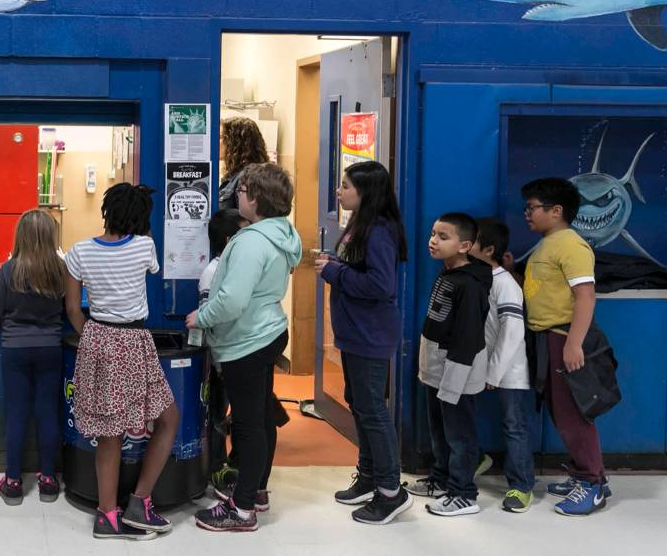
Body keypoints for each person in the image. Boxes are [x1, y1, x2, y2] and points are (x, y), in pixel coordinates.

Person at [186, 163, 302, 532]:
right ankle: (256, 489)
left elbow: (232, 301)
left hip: (247, 341)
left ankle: (242, 508)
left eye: (242, 189)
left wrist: (200, 318)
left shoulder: (251, 241)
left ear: (255, 197)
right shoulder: (282, 234)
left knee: (249, 425)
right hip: (267, 332)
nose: (237, 194)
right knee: (262, 418)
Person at [64, 183, 180, 541]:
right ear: (140, 218)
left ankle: (107, 515)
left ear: (106, 211)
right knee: (168, 418)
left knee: (109, 435)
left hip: (97, 336)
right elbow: (150, 270)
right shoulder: (145, 246)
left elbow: (71, 309)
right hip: (134, 340)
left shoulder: (78, 251)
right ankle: (139, 501)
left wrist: (94, 337)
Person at [315, 161, 412, 525]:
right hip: (355, 332)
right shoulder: (360, 225)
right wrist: (335, 264)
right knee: (358, 402)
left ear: (365, 191)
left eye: (345, 186)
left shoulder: (380, 231)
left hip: (371, 333)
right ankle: (369, 474)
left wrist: (333, 271)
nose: (338, 191)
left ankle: (391, 491)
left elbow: (379, 285)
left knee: (372, 409)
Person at [521, 178, 610, 516]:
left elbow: (585, 296)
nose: (527, 214)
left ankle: (592, 483)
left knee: (574, 414)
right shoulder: (548, 243)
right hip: (547, 338)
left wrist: (573, 344)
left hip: (563, 338)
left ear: (556, 211)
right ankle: (582, 473)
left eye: (532, 208)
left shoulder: (571, 245)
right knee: (560, 411)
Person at [408, 213, 491, 517]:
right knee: (440, 430)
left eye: (444, 237)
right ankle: (441, 479)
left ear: (465, 245)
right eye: (433, 233)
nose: (433, 240)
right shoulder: (447, 273)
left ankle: (464, 494)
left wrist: (454, 380)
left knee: (460, 435)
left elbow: (467, 337)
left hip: (456, 371)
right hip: (436, 367)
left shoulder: (470, 284)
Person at [0, 210, 65, 506]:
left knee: (17, 413)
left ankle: (13, 481)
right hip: (51, 349)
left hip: (15, 350)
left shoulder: (10, 270)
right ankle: (47, 480)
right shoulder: (61, 269)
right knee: (47, 412)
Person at [470, 217, 534, 513]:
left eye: (472, 240)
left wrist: (494, 371)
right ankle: (475, 459)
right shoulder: (475, 278)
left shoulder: (506, 284)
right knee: (460, 413)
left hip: (508, 370)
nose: (465, 244)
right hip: (478, 364)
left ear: (489, 249)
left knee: (514, 426)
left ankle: (521, 486)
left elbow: (511, 333)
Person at [199, 208, 249, 492]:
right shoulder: (213, 273)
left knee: (236, 415)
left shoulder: (236, 268)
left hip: (240, 353)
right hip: (222, 357)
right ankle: (218, 470)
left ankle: (234, 464)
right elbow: (211, 317)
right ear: (230, 240)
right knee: (218, 416)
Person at [218, 117, 269, 210]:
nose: (215, 141)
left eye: (221, 137)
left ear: (236, 143)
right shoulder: (235, 175)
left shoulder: (246, 178)